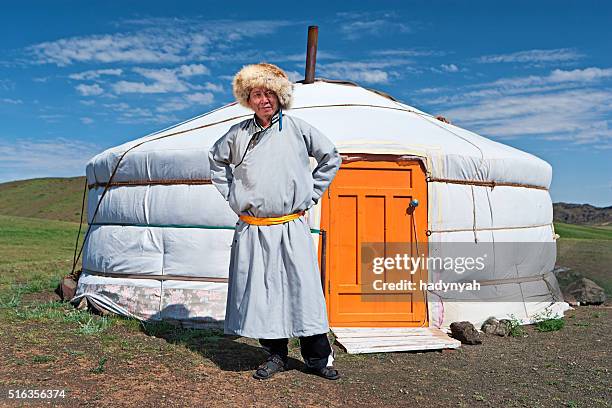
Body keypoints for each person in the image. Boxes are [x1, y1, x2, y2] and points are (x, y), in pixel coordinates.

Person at [208, 63, 342, 380]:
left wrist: (310, 194)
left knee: (304, 291)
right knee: (263, 293)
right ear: (248, 99)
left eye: (269, 93)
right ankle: (276, 355)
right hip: (254, 228)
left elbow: (331, 156)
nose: (263, 100)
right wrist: (233, 197)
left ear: (280, 97)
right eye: (257, 94)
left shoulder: (298, 129)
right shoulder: (238, 134)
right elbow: (216, 160)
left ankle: (318, 359)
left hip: (290, 225)